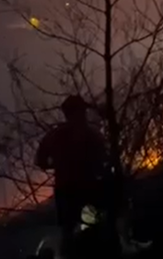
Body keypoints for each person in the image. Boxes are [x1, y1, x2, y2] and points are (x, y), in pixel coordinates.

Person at [36, 95, 106, 258]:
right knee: (90, 228)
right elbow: (102, 159)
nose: (83, 114)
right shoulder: (91, 134)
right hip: (85, 189)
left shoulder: (54, 135)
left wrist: (57, 164)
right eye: (81, 111)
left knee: (70, 230)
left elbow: (41, 161)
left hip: (68, 190)